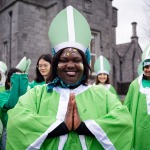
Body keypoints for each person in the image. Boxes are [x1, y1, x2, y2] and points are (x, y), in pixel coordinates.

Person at [6, 6, 133, 150]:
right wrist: (60, 127)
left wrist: (84, 127)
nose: (70, 65)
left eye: (77, 60)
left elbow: (123, 121)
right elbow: (16, 121)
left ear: (85, 64)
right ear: (55, 64)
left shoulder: (102, 95)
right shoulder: (37, 95)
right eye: (64, 61)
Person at [124, 44, 150, 150]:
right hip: (140, 127)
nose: (149, 69)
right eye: (147, 67)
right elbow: (127, 105)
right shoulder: (135, 85)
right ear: (143, 67)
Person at [0, 68, 28, 150]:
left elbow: (22, 100)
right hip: (9, 132)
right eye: (14, 80)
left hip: (24, 131)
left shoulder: (28, 95)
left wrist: (22, 80)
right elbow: (12, 104)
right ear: (8, 82)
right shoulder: (2, 95)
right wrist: (16, 80)